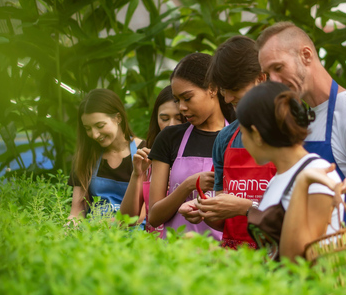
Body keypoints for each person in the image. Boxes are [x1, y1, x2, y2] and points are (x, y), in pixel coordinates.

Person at [257, 22, 346, 230]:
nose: (273, 80)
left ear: (306, 56)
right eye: (267, 74)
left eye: (278, 68)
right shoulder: (307, 115)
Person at [235, 81, 343, 261]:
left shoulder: (318, 173)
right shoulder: (277, 178)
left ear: (257, 134)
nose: (243, 140)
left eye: (242, 132)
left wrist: (302, 184)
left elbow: (296, 260)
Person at [194, 36, 276, 249]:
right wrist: (204, 210)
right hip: (234, 260)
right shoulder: (225, 138)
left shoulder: (290, 134)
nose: (228, 98)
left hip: (278, 258)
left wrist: (246, 207)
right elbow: (222, 220)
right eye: (223, 90)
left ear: (260, 78)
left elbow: (298, 217)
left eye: (234, 88)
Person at [147, 53, 235, 239]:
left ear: (212, 89)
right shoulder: (169, 138)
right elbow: (154, 217)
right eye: (178, 100)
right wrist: (188, 186)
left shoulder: (239, 137)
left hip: (225, 257)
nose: (181, 108)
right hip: (177, 257)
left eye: (187, 98)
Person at [69, 88, 142, 220]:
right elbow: (76, 212)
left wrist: (111, 227)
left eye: (100, 125)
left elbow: (146, 212)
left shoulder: (145, 151)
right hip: (95, 233)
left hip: (135, 232)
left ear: (118, 118)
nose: (95, 134)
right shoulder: (85, 156)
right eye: (88, 128)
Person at [119, 86, 184, 231]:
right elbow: (126, 220)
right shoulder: (150, 159)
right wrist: (138, 174)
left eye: (179, 118)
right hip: (154, 249)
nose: (171, 125)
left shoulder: (197, 159)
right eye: (164, 119)